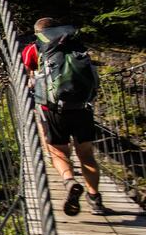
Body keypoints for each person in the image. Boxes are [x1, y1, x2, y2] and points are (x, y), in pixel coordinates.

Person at [22, 17, 107, 216]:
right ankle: (95, 199)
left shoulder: (33, 48)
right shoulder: (76, 43)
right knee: (86, 154)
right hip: (82, 106)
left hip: (52, 109)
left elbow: (30, 77)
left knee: (58, 152)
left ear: (38, 33)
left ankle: (69, 181)